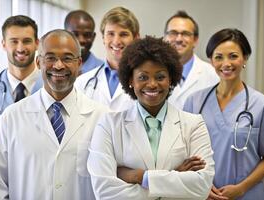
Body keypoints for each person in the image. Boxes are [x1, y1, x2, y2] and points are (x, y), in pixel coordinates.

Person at [0, 29, 108, 199]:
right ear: (38, 62)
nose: (58, 65)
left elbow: (110, 184)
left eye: (67, 58)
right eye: (50, 58)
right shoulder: (11, 117)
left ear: (79, 64)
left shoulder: (102, 117)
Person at [87, 36, 215, 199]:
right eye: (143, 77)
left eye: (160, 77)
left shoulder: (193, 124)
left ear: (171, 80)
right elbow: (105, 192)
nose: (152, 84)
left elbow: (202, 186)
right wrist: (174, 176)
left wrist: (139, 177)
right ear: (131, 81)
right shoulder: (109, 125)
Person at [183, 28, 264, 200]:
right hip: (203, 193)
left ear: (245, 58)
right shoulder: (194, 102)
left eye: (233, 56)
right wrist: (202, 185)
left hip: (247, 194)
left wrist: (242, 188)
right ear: (211, 61)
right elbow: (184, 152)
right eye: (219, 57)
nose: (226, 63)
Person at [0, 15, 42, 164]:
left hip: (40, 181)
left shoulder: (51, 87)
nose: (20, 48)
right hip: (0, 184)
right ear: (4, 44)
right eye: (14, 41)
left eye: (27, 41)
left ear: (37, 44)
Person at [75, 6, 139, 111]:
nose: (116, 41)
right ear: (103, 38)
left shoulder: (145, 82)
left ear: (136, 38)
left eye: (123, 34)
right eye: (110, 34)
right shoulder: (82, 83)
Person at [163, 10, 219, 109]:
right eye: (173, 33)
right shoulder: (154, 73)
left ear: (195, 40)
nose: (179, 39)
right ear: (165, 37)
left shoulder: (213, 75)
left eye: (185, 34)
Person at [64, 10, 103, 74]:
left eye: (87, 35)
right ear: (64, 35)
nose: (81, 40)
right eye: (75, 34)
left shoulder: (104, 70)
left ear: (93, 37)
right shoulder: (53, 68)